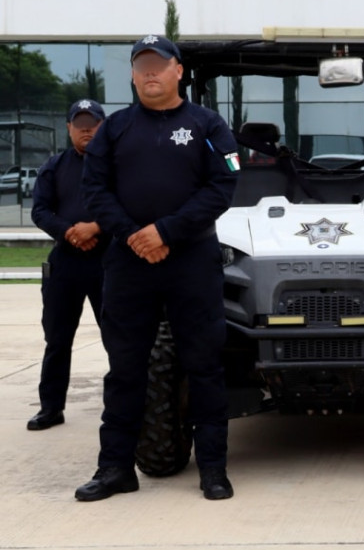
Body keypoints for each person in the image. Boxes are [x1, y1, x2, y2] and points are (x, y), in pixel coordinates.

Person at [76, 34, 240, 501]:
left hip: (192, 261)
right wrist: (133, 234)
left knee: (204, 366)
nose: (150, 72)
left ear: (177, 71)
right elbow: (94, 190)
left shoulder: (207, 124)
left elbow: (223, 185)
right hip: (129, 264)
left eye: (158, 64)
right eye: (141, 65)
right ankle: (114, 469)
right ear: (132, 74)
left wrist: (165, 231)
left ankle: (213, 469)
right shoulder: (115, 128)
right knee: (125, 369)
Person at [27, 99, 108, 431]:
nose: (86, 129)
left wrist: (96, 227)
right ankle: (51, 407)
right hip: (66, 264)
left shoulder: (118, 166)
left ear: (104, 127)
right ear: (69, 128)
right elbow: (40, 210)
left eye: (93, 123)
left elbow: (133, 203)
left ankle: (127, 405)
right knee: (57, 339)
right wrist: (70, 232)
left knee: (119, 340)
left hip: (109, 263)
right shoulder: (54, 167)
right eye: (80, 123)